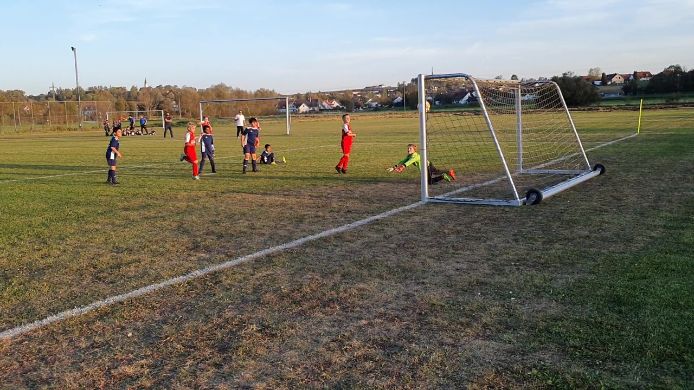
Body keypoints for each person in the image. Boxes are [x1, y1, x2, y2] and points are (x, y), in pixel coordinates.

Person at [387, 144, 456, 184]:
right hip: (428, 165)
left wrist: (403, 167)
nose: (408, 150)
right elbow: (402, 161)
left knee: (429, 181)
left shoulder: (415, 156)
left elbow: (408, 162)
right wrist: (393, 167)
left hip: (427, 166)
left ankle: (443, 176)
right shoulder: (409, 156)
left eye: (410, 149)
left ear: (414, 150)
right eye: (408, 149)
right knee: (436, 172)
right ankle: (448, 172)